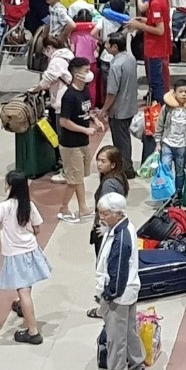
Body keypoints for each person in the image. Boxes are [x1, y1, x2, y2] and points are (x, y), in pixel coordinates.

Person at [0, 170, 49, 345]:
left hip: (14, 254)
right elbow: (37, 229)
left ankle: (33, 331)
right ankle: (22, 306)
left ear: (10, 186)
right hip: (30, 249)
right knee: (26, 286)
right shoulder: (28, 205)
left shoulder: (3, 207)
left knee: (24, 291)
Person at [92, 193, 145, 370]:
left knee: (116, 338)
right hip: (129, 291)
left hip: (119, 295)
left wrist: (108, 294)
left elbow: (117, 271)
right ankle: (136, 367)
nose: (101, 217)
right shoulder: (124, 228)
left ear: (117, 213)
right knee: (131, 331)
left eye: (105, 213)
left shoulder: (121, 239)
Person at [57, 58, 98, 223]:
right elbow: (64, 121)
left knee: (79, 177)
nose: (89, 73)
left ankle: (83, 208)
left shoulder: (85, 91)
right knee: (73, 180)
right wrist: (85, 129)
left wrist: (95, 120)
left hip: (83, 142)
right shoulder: (69, 96)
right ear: (76, 74)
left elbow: (86, 112)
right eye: (86, 70)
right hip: (71, 144)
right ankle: (63, 209)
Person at [129, 0, 172, 105]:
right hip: (156, 47)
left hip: (156, 48)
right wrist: (142, 20)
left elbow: (159, 30)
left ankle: (160, 108)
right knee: (157, 80)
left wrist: (139, 26)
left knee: (156, 82)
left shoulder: (155, 2)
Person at [97, 33, 137, 178]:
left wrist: (104, 109)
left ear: (114, 47)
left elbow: (112, 92)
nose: (105, 46)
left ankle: (126, 169)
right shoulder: (130, 59)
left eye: (108, 44)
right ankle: (127, 167)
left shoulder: (115, 65)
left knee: (121, 142)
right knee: (125, 138)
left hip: (119, 110)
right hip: (130, 106)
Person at [90, 145, 129, 270]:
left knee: (104, 265)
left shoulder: (109, 184)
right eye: (98, 160)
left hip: (106, 229)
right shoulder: (118, 176)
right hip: (111, 227)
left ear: (113, 165)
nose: (99, 164)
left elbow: (106, 210)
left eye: (103, 161)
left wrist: (104, 228)